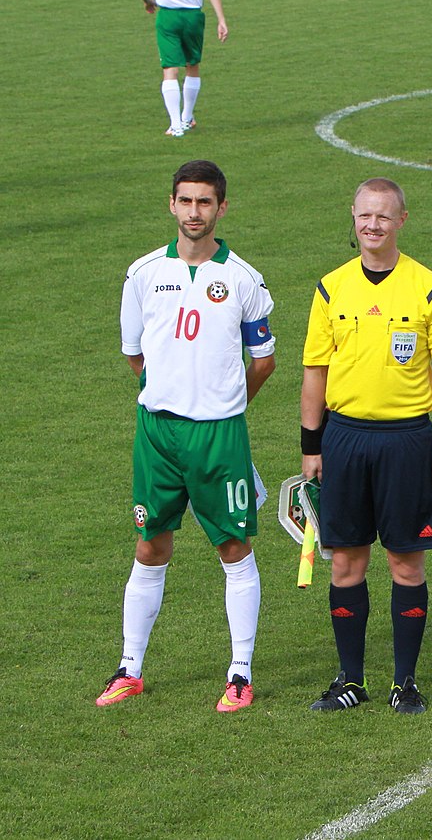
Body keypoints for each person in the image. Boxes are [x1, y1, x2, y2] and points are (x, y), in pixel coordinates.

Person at [98, 159, 275, 712]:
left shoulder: (244, 279)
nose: (194, 211)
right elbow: (135, 355)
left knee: (232, 546)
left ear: (222, 207)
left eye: (205, 202)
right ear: (171, 204)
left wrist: (222, 404)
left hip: (219, 436)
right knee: (150, 545)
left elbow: (264, 361)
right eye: (186, 200)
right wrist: (170, 394)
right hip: (157, 433)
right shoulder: (143, 273)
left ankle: (240, 673)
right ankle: (129, 668)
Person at [300, 178, 432, 714]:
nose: (373, 225)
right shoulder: (330, 289)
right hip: (344, 438)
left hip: (406, 442)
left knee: (406, 564)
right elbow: (314, 373)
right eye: (365, 216)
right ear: (352, 216)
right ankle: (350, 679)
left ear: (402, 220)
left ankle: (405, 681)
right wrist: (311, 446)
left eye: (384, 217)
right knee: (345, 562)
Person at [141, 0, 228, 137]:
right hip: (193, 17)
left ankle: (176, 126)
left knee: (170, 69)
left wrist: (147, 1)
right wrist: (221, 19)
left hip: (168, 17)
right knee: (192, 65)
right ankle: (186, 118)